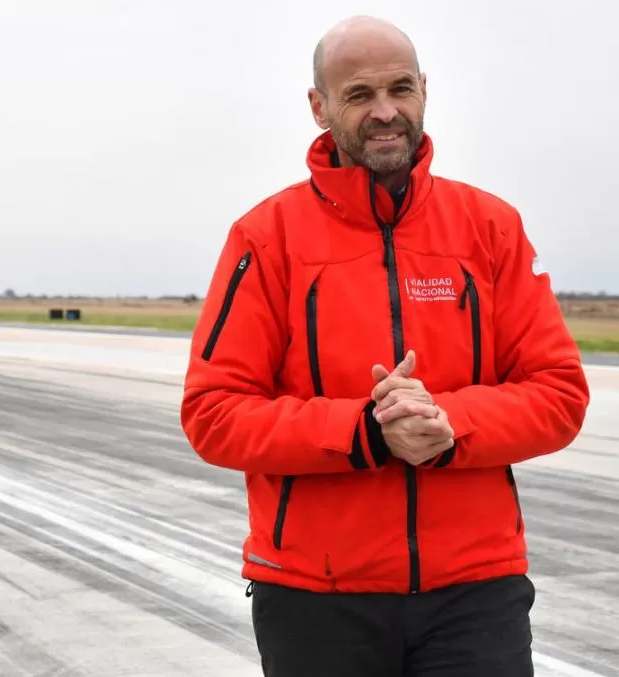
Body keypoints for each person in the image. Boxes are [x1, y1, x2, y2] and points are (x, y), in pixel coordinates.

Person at [179, 14, 591, 677]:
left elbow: (560, 393)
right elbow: (214, 413)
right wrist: (367, 432)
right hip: (317, 597)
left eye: (401, 88)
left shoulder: (491, 227)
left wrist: (450, 425)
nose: (386, 112)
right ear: (319, 107)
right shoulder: (265, 237)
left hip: (474, 592)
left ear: (424, 89)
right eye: (359, 94)